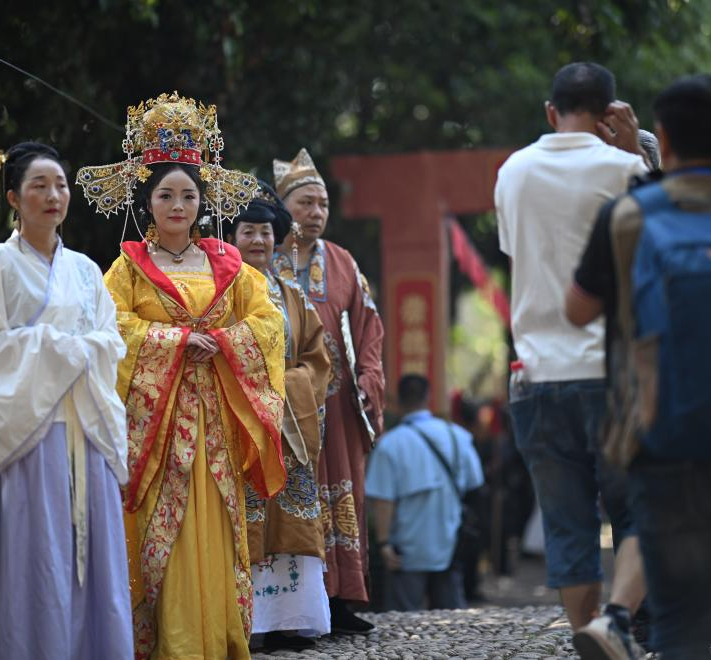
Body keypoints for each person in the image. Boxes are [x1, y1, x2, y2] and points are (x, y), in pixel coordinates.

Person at [566, 74, 711, 660]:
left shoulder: (628, 216)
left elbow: (578, 310)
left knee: (679, 607)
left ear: (664, 139)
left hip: (664, 436)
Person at [77, 93, 286, 659]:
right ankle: (169, 644)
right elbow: (108, 327)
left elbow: (268, 323)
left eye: (188, 195)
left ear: (202, 201)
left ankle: (217, 641)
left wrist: (221, 341)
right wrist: (174, 340)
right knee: (158, 530)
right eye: (166, 195)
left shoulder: (229, 265)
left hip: (215, 418)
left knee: (218, 522)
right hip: (158, 426)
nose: (178, 205)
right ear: (147, 201)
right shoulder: (126, 268)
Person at [493, 62, 649, 659]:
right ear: (612, 113)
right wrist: (633, 156)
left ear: (550, 111)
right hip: (614, 374)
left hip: (537, 374)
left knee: (566, 524)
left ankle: (593, 632)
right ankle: (620, 626)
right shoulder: (626, 169)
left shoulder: (513, 171)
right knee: (645, 510)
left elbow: (519, 253)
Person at [0, 141, 133, 660]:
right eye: (39, 185)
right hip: (31, 432)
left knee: (93, 563)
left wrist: (78, 349)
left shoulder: (85, 270)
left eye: (60, 185)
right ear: (14, 197)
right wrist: (60, 347)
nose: (54, 195)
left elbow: (111, 341)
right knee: (37, 559)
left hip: (87, 429)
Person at [271, 148, 386, 632]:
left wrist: (369, 379)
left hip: (336, 406)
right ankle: (290, 609)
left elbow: (369, 328)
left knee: (342, 494)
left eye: (322, 204)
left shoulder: (342, 262)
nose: (316, 212)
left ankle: (340, 601)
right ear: (283, 209)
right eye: (306, 203)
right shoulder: (264, 259)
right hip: (284, 406)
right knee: (291, 498)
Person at [225, 180, 332, 650]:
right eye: (248, 231)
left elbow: (317, 358)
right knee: (246, 516)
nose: (258, 241)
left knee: (292, 519)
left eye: (266, 232)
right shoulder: (220, 293)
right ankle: (250, 623)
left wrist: (291, 386)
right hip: (241, 420)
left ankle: (292, 619)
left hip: (290, 424)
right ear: (232, 237)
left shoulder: (292, 294)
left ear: (278, 238)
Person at [365, 374, 484, 611]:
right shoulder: (457, 436)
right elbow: (475, 483)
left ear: (397, 401)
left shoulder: (390, 444)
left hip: (407, 550)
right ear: (428, 397)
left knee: (404, 619)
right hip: (451, 543)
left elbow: (383, 501)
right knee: (452, 618)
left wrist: (384, 543)